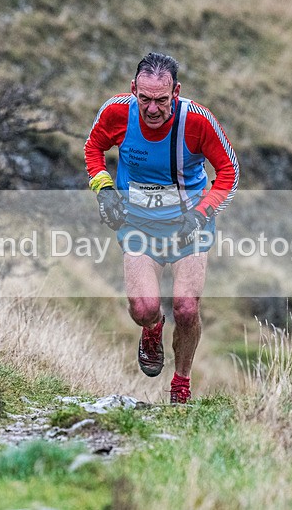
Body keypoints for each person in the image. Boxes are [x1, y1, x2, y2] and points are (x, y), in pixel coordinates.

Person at [84, 52, 239, 404]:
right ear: (133, 89)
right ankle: (152, 329)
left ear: (176, 92)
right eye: (145, 99)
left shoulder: (197, 121)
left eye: (162, 100)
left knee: (186, 307)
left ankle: (180, 383)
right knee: (143, 308)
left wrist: (201, 213)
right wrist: (104, 190)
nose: (153, 109)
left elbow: (229, 172)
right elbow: (93, 149)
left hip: (189, 226)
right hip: (138, 224)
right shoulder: (116, 112)